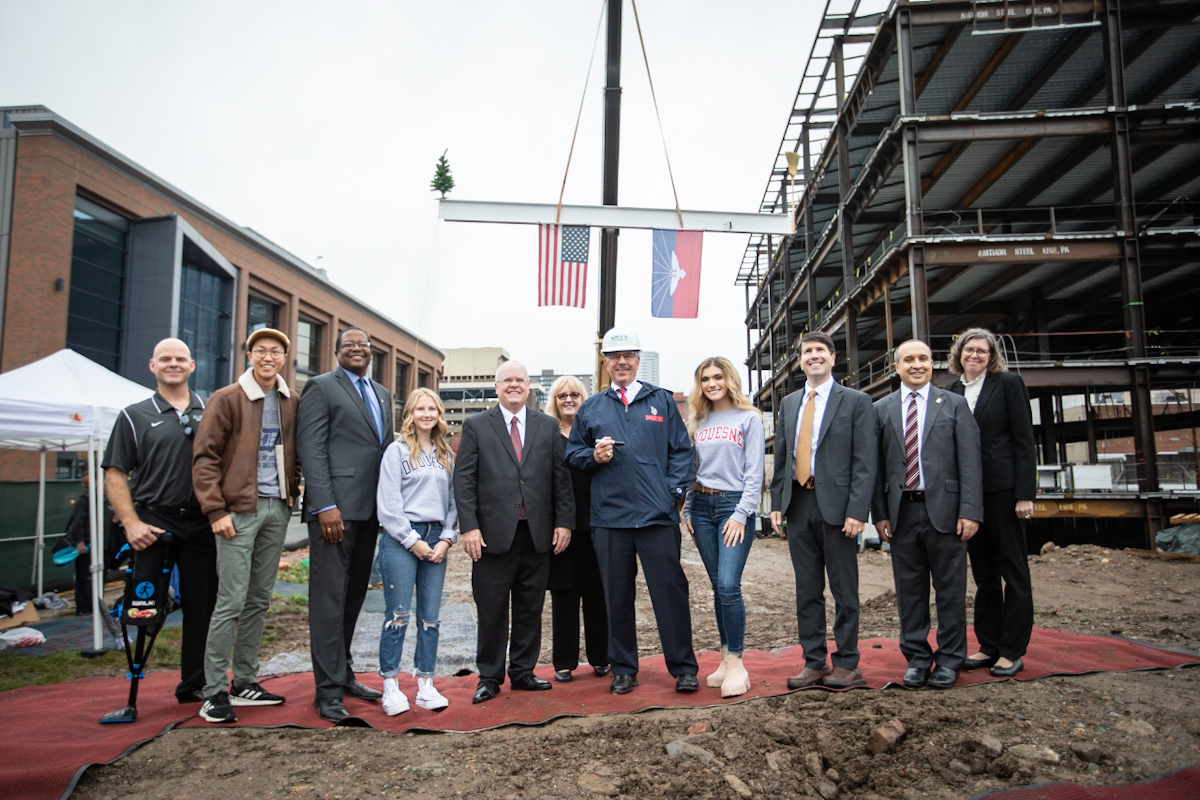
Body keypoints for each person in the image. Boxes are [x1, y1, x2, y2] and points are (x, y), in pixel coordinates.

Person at [566, 328, 698, 695]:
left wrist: (670, 495)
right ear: (605, 363)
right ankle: (623, 668)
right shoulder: (592, 407)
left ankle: (684, 668)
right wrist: (594, 456)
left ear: (638, 360)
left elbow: (681, 453)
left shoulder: (661, 401)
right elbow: (573, 455)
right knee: (616, 596)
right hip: (610, 520)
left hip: (657, 518)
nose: (621, 362)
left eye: (628, 355)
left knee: (670, 594)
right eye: (614, 356)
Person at [191, 328, 301, 723]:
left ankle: (246, 681)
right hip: (238, 511)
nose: (268, 357)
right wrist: (215, 510)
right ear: (250, 354)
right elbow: (205, 457)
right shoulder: (227, 398)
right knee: (231, 601)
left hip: (276, 509)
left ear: (284, 358)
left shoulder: (291, 400)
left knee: (258, 599)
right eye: (260, 350)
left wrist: (294, 492)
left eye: (275, 351)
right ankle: (213, 691)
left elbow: (296, 451)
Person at [102, 338, 217, 704]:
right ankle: (134, 685)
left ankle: (193, 684)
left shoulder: (212, 410)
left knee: (203, 607)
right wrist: (130, 522)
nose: (173, 364)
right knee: (144, 608)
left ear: (192, 365)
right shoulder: (134, 415)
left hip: (202, 524)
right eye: (165, 359)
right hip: (154, 524)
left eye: (180, 358)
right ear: (152, 366)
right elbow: (116, 473)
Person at [455, 361, 573, 704]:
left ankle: (523, 672)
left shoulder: (547, 426)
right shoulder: (476, 426)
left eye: (520, 380)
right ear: (496, 387)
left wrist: (564, 522)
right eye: (507, 380)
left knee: (529, 609)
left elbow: (560, 480)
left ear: (529, 386)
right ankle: (490, 677)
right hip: (491, 537)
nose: (514, 385)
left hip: (537, 535)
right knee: (491, 611)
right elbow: (463, 482)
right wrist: (470, 527)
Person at [768, 332, 877, 690]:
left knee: (845, 591)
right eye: (806, 352)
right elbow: (782, 458)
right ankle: (814, 662)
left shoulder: (856, 402)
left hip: (839, 509)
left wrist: (858, 511)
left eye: (819, 351)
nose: (813, 356)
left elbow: (864, 461)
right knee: (807, 590)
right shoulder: (789, 404)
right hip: (799, 505)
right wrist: (777, 505)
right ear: (800, 361)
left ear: (832, 358)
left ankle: (847, 663)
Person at [296, 327, 393, 722]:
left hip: (371, 511)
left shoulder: (382, 393)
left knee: (353, 599)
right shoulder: (321, 388)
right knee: (329, 601)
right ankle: (327, 690)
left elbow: (383, 450)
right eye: (348, 344)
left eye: (363, 345)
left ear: (371, 353)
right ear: (336, 352)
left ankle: (345, 672)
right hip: (335, 514)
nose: (357, 349)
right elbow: (311, 448)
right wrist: (325, 505)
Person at [873, 339, 982, 690]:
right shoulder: (882, 409)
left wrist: (970, 511)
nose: (916, 364)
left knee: (950, 590)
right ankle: (917, 659)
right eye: (908, 360)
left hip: (946, 513)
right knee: (910, 591)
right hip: (901, 513)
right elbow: (875, 468)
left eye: (922, 358)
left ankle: (950, 659)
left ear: (933, 363)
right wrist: (880, 514)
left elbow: (970, 462)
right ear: (897, 367)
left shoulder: (954, 404)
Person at [945, 328, 1037, 678]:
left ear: (991, 356)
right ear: (959, 354)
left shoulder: (1008, 384)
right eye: (969, 350)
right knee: (983, 573)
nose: (975, 356)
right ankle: (988, 644)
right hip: (969, 495)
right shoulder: (951, 391)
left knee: (1013, 570)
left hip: (1003, 490)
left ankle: (1011, 650)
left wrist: (1025, 493)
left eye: (982, 351)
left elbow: (1024, 440)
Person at [682, 356, 764, 698]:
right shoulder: (698, 420)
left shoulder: (750, 418)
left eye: (718, 377)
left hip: (733, 507)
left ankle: (737, 663)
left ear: (729, 379)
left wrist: (742, 513)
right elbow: (691, 468)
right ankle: (725, 657)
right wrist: (688, 507)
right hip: (701, 507)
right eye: (705, 379)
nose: (712, 383)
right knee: (718, 587)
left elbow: (755, 471)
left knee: (730, 584)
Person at [375, 387, 457, 715]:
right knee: (398, 615)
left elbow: (453, 503)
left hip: (436, 538)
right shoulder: (396, 452)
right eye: (420, 408)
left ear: (439, 414)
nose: (426, 414)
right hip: (402, 539)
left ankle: (425, 684)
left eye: (432, 409)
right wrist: (412, 541)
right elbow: (388, 504)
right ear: (409, 413)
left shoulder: (445, 454)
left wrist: (446, 538)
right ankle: (391, 685)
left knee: (430, 618)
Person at [544, 375, 609, 683]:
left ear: (584, 399)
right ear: (554, 401)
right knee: (564, 595)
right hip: (561, 527)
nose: (568, 399)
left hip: (596, 524)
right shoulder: (545, 435)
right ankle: (564, 662)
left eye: (574, 394)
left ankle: (601, 658)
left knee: (597, 595)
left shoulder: (594, 432)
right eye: (561, 395)